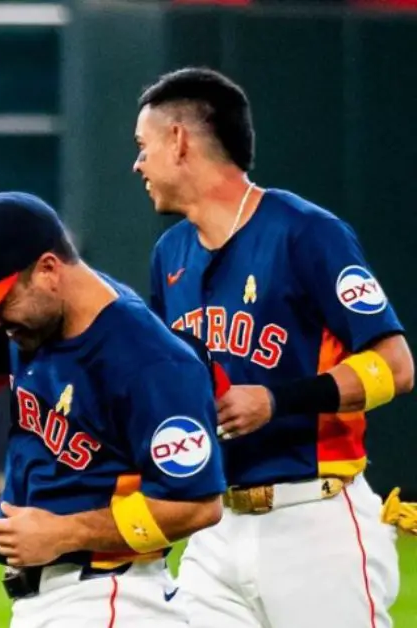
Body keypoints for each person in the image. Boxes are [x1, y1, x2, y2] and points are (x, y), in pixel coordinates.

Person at [135, 66, 416, 627]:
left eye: (143, 147)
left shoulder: (305, 232)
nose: (138, 165)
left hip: (315, 519)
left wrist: (277, 400)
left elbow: (396, 366)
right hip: (217, 531)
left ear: (180, 140)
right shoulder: (171, 255)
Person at [0, 191, 226, 627]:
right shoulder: (30, 323)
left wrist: (68, 532)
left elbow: (197, 505)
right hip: (55, 600)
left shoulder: (151, 362)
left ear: (48, 269)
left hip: (111, 597)